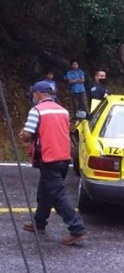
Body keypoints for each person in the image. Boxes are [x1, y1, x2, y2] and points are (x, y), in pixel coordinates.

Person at [18, 81, 88, 245]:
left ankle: (77, 230)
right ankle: (39, 223)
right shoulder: (63, 111)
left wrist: (23, 136)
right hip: (63, 157)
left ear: (38, 94)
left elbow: (28, 133)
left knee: (57, 195)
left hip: (49, 157)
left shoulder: (37, 111)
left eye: (33, 94)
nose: (33, 97)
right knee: (45, 191)